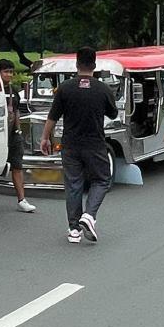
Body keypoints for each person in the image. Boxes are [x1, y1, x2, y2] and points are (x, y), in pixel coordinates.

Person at [40, 47, 118, 244]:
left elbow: (52, 116)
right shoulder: (103, 89)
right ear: (95, 65)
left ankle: (74, 229)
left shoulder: (65, 88)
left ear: (76, 65)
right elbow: (113, 114)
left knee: (73, 185)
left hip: (70, 145)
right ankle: (89, 216)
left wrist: (45, 138)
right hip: (95, 144)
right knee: (101, 180)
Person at [0, 59, 37, 213]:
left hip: (13, 134)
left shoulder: (14, 92)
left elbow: (17, 111)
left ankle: (22, 200)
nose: (9, 75)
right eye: (6, 71)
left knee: (17, 165)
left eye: (11, 72)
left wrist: (19, 130)